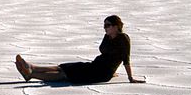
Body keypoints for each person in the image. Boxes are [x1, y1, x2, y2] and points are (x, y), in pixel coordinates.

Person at [15, 14, 145, 84]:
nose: (105, 28)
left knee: (65, 75)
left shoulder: (123, 38)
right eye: (104, 25)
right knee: (66, 67)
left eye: (108, 25)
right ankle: (32, 67)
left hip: (101, 73)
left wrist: (130, 78)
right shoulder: (107, 36)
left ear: (116, 26)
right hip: (95, 65)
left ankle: (31, 74)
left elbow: (126, 59)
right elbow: (105, 53)